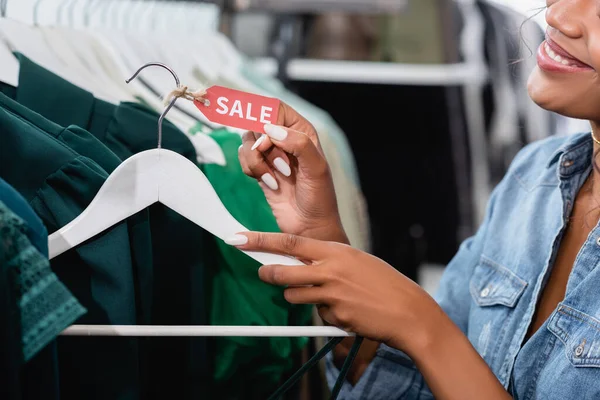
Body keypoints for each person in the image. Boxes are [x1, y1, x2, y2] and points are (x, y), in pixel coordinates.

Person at [231, 1, 600, 398]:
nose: (558, 17)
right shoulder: (531, 180)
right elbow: (420, 388)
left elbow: (432, 343)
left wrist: (422, 326)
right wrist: (322, 240)